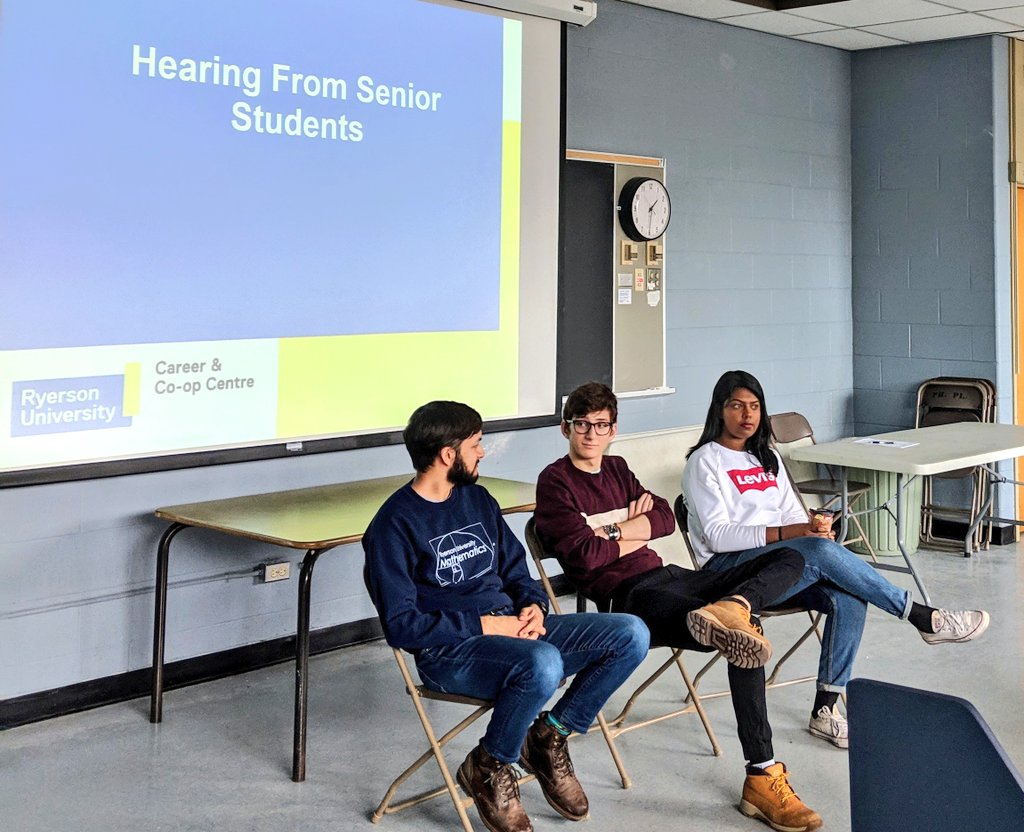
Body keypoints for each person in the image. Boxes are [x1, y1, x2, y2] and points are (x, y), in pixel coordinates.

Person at [536, 382, 823, 832]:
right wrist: (630, 527)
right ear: (565, 428)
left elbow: (667, 517)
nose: (591, 434)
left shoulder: (617, 468)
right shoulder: (555, 482)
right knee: (743, 635)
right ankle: (762, 774)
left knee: (790, 555)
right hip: (629, 595)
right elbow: (585, 557)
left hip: (673, 575)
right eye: (581, 425)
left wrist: (609, 530)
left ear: (613, 429)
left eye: (601, 425)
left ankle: (733, 604)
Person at [363, 400, 650, 832]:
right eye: (477, 445)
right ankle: (490, 765)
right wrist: (486, 625)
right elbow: (403, 627)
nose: (482, 453)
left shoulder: (477, 498)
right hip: (451, 652)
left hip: (513, 627)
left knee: (630, 633)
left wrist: (532, 606)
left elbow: (517, 572)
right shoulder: (392, 526)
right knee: (542, 662)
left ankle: (550, 733)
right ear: (448, 454)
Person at [683, 369, 991, 750]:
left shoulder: (768, 459)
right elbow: (718, 536)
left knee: (848, 594)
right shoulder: (704, 462)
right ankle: (922, 616)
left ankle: (825, 710)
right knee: (819, 552)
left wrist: (808, 529)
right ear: (719, 410)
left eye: (755, 406)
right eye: (736, 406)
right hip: (730, 577)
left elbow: (787, 519)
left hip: (780, 566)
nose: (747, 415)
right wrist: (794, 536)